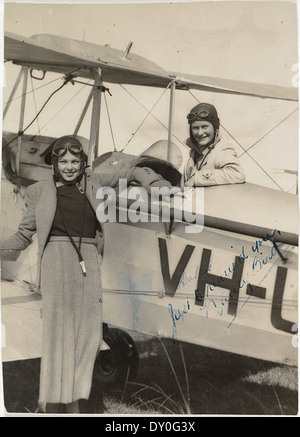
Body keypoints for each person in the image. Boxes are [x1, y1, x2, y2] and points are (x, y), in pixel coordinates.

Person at [0, 135, 169, 414]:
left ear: (83, 163)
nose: (69, 167)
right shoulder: (40, 192)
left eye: (74, 161)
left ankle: (74, 404)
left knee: (88, 339)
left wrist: (153, 181)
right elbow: (21, 237)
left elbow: (131, 169)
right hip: (55, 263)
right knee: (57, 338)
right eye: (63, 161)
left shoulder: (94, 182)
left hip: (88, 263)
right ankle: (52, 405)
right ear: (54, 164)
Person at [184, 102, 246, 187]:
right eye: (195, 128)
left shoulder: (222, 148)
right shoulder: (193, 149)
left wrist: (197, 179)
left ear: (215, 128)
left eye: (204, 127)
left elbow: (237, 174)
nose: (200, 133)